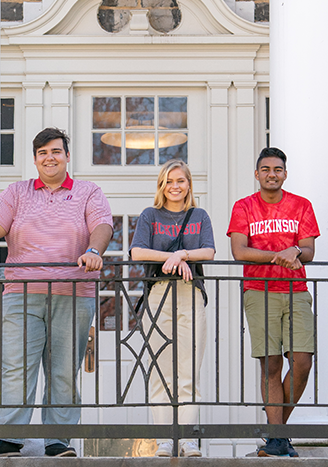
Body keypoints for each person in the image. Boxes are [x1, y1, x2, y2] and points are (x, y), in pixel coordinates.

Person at [0, 128, 113, 458]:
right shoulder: (17, 192)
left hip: (73, 292)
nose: (50, 158)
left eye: (56, 151)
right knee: (17, 366)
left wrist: (94, 250)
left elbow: (103, 225)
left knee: (63, 368)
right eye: (43, 153)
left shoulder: (89, 192)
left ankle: (57, 440)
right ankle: (10, 437)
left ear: (67, 156)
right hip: (22, 293)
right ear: (34, 159)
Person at [227, 147, 320, 458]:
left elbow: (308, 251)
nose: (271, 174)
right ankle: (279, 440)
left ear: (285, 173)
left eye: (277, 169)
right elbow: (239, 251)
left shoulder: (301, 205)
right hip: (259, 290)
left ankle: (275, 434)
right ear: (257, 174)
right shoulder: (244, 207)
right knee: (271, 364)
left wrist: (296, 252)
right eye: (265, 169)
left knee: (302, 361)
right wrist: (283, 255)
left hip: (296, 291)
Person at [130, 159, 215, 458]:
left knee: (189, 371)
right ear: (162, 186)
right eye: (169, 181)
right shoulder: (150, 215)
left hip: (190, 295)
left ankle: (188, 439)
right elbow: (137, 251)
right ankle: (165, 439)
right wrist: (173, 259)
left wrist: (181, 254)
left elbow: (209, 251)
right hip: (159, 295)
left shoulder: (199, 216)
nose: (175, 186)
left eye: (180, 180)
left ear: (189, 184)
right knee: (159, 371)